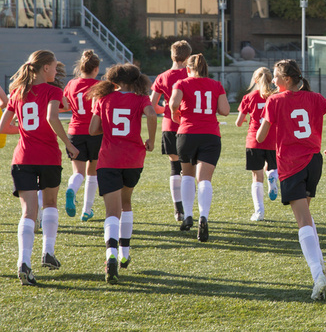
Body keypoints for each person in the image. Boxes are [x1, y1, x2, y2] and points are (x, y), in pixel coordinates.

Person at [257, 59, 326, 301]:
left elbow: (261, 134)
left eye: (275, 76)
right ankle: (319, 263)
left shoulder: (274, 101)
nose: (272, 81)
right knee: (306, 215)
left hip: (291, 165)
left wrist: (262, 122)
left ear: (286, 79)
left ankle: (318, 276)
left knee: (302, 221)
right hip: (313, 163)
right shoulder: (315, 97)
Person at [0, 50, 79, 286]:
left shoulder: (18, 92)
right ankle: (48, 252)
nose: (56, 71)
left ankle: (24, 262)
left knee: (28, 212)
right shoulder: (53, 90)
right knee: (51, 203)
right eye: (54, 67)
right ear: (45, 68)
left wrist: (25, 131)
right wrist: (68, 143)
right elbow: (53, 117)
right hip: (47, 157)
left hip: (22, 158)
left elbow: (3, 126)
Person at [88, 64, 157, 284]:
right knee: (126, 203)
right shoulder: (140, 98)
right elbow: (152, 114)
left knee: (111, 212)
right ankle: (125, 253)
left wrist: (107, 128)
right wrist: (152, 140)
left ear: (114, 80)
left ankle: (110, 254)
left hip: (109, 159)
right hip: (133, 158)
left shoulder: (104, 99)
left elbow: (92, 130)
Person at [169, 54, 230, 242]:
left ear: (188, 69)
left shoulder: (181, 83)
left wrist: (174, 114)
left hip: (187, 133)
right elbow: (225, 111)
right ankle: (204, 217)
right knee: (204, 179)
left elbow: (173, 103)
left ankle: (188, 215)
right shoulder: (216, 85)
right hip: (210, 135)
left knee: (186, 174)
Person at [150, 40, 192, 223]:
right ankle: (189, 210)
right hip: (189, 126)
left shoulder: (162, 76)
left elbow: (152, 105)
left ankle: (178, 210)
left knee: (174, 167)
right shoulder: (191, 74)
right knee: (189, 170)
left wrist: (166, 109)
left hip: (169, 125)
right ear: (188, 57)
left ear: (172, 55)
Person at [62, 50, 102, 221]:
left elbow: (65, 105)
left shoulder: (71, 84)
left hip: (75, 131)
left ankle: (72, 188)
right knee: (93, 172)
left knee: (78, 172)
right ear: (96, 68)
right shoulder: (100, 85)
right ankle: (87, 209)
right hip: (95, 131)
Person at [235, 67, 279, 221]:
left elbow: (238, 122)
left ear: (255, 80)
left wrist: (245, 119)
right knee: (272, 167)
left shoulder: (249, 97)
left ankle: (259, 211)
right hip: (272, 139)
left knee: (256, 176)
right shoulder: (276, 97)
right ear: (271, 79)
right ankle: (273, 176)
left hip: (254, 140)